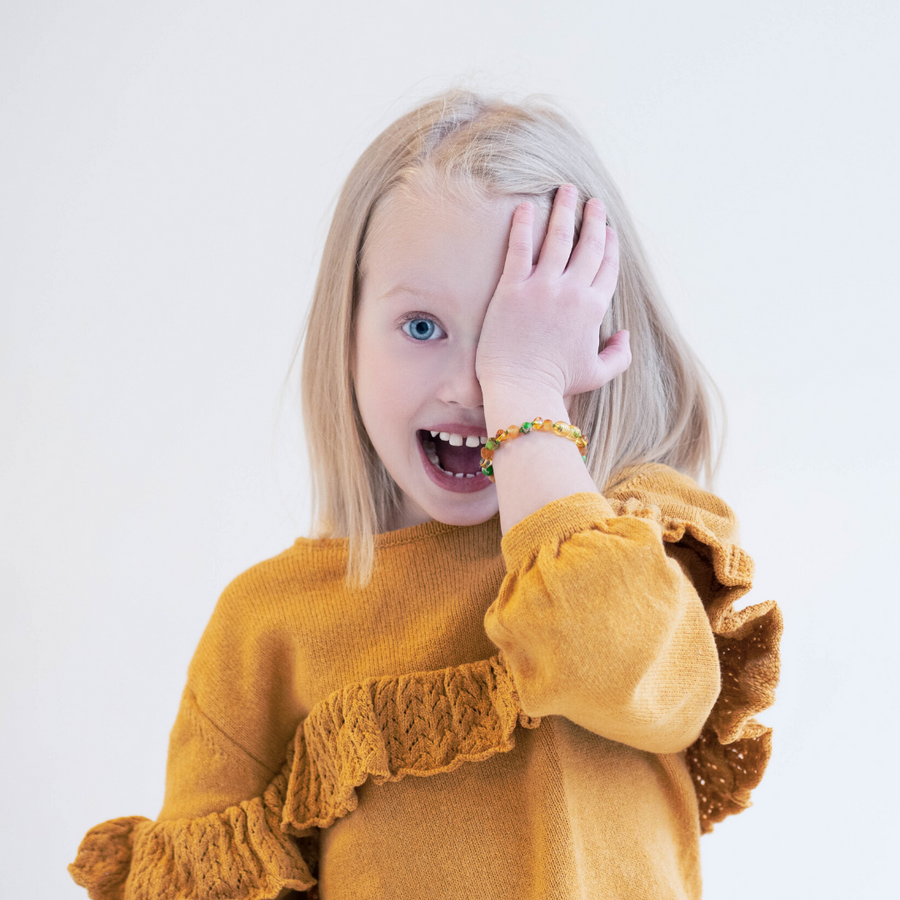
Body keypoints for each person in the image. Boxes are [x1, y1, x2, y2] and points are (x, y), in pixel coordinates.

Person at [68, 88, 783, 900]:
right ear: (345, 337)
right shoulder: (267, 625)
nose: (471, 386)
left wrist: (529, 391)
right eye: (421, 327)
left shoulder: (644, 536)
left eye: (523, 334)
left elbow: (622, 667)